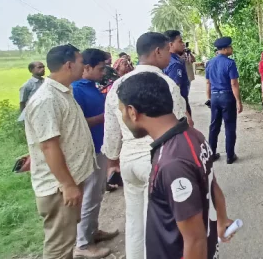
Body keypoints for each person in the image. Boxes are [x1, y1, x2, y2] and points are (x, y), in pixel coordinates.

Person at [115, 72, 235, 259]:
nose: (123, 117)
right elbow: (212, 183)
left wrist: (221, 218)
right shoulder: (192, 135)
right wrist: (222, 218)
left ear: (132, 112)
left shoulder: (172, 162)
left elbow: (195, 241)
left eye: (121, 110)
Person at [101, 32, 188, 259]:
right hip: (157, 161)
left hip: (129, 161)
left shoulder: (117, 86)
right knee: (164, 223)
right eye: (167, 51)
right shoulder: (165, 83)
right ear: (158, 51)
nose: (169, 56)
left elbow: (111, 131)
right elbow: (179, 127)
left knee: (135, 220)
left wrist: (112, 161)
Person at [24, 44, 95, 259]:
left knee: (67, 239)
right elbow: (48, 145)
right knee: (59, 247)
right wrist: (67, 184)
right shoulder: (47, 99)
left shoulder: (63, 92)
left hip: (67, 181)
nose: (84, 66)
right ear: (69, 64)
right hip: (59, 188)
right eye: (81, 61)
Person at [71, 49, 119, 258]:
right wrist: (107, 116)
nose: (103, 72)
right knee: (89, 196)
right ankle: (82, 244)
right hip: (87, 151)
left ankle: (92, 231)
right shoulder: (76, 90)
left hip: (100, 148)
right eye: (100, 68)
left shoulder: (91, 86)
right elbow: (79, 123)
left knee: (97, 194)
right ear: (87, 68)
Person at [205, 37, 243, 164]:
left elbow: (208, 83)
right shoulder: (230, 63)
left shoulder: (210, 63)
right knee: (230, 126)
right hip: (227, 96)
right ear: (225, 49)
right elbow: (234, 84)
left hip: (215, 97)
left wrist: (209, 98)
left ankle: (211, 153)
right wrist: (238, 101)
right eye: (230, 47)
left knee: (214, 126)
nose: (232, 49)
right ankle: (230, 156)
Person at [164, 30, 193, 117]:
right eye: (180, 41)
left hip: (170, 105)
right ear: (171, 44)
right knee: (185, 130)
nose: (183, 44)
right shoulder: (175, 63)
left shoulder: (165, 59)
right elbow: (176, 91)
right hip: (180, 104)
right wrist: (186, 115)